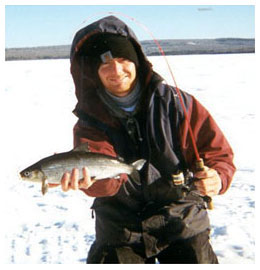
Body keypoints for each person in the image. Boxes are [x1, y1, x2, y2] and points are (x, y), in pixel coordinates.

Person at [57, 16, 236, 263]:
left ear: (137, 61)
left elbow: (219, 155)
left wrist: (218, 177)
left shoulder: (178, 104)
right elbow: (107, 186)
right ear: (93, 72)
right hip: (120, 225)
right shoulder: (89, 122)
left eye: (123, 60)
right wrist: (91, 182)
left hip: (180, 216)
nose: (116, 71)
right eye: (105, 64)